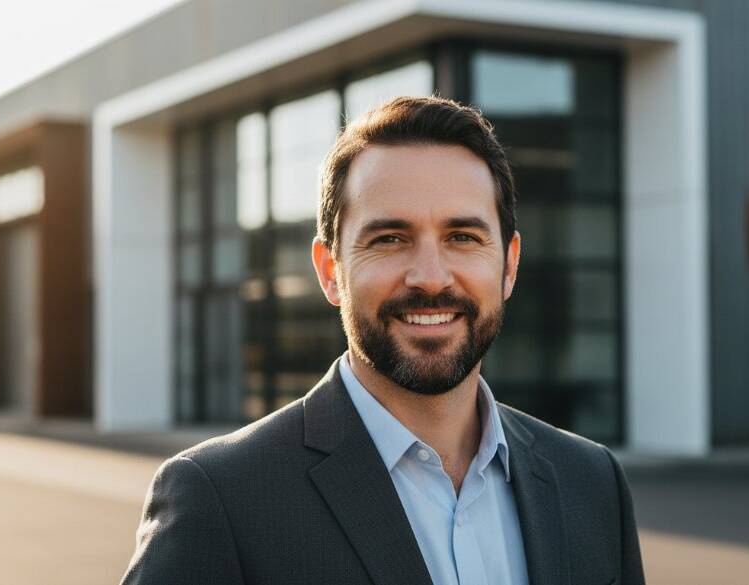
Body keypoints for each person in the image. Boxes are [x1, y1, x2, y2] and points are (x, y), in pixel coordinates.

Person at [121, 96, 645, 585]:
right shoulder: (220, 497)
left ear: (509, 264)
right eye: (390, 239)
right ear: (331, 271)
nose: (431, 277)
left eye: (462, 237)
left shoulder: (591, 482)